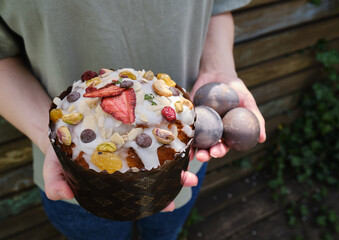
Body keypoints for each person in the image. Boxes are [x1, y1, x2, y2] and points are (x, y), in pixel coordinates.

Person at [0, 0, 266, 239]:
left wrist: (218, 69)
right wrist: (47, 139)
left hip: (185, 162)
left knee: (165, 234)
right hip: (74, 178)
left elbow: (217, 8)